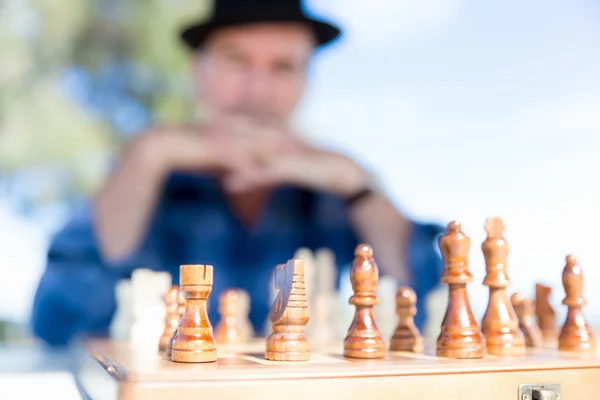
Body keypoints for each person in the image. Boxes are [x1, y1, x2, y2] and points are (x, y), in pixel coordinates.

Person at [32, 0, 444, 346]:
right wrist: (145, 157)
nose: (257, 89)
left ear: (306, 79)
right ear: (198, 72)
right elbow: (58, 321)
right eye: (236, 60)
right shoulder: (145, 177)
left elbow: (428, 311)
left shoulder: (335, 194)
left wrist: (359, 187)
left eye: (282, 67)